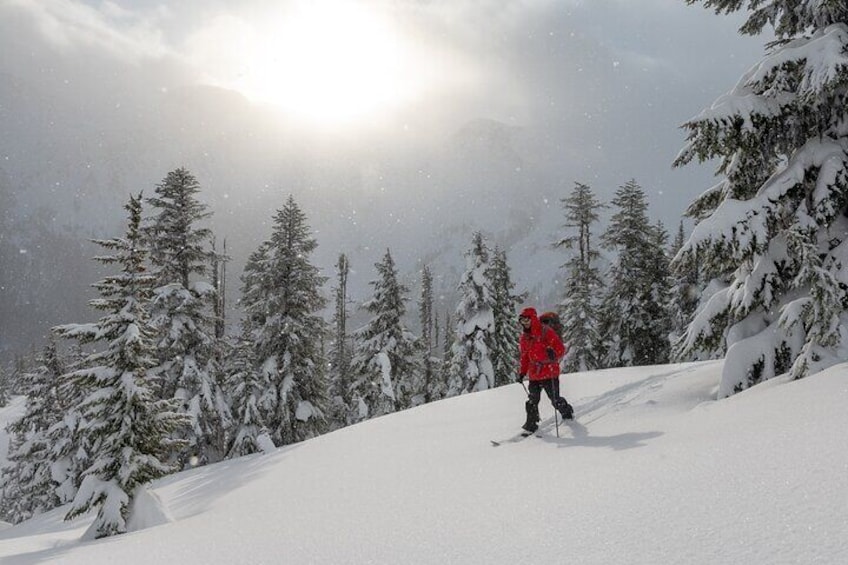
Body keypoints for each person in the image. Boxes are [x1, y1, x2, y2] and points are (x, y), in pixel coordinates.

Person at [517, 307, 573, 433]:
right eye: (522, 321)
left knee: (555, 400)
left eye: (526, 320)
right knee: (532, 400)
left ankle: (567, 412)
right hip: (534, 374)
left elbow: (560, 349)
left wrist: (553, 353)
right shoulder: (524, 338)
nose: (524, 324)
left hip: (549, 372)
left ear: (532, 319)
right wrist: (522, 372)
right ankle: (531, 425)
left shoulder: (546, 332)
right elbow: (525, 357)